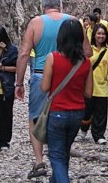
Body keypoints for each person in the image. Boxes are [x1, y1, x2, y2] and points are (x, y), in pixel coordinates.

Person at [15, 0, 91, 180]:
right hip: (70, 74)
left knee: (36, 118)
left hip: (41, 74)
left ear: (43, 7)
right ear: (60, 6)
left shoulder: (35, 23)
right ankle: (59, 161)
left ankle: (39, 161)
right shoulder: (73, 22)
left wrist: (19, 82)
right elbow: (88, 52)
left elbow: (24, 54)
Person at [41, 19, 92, 183]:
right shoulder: (86, 62)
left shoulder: (52, 58)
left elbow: (44, 87)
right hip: (77, 113)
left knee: (55, 156)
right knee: (63, 152)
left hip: (57, 112)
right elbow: (89, 93)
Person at [78, 23, 108, 144]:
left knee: (101, 112)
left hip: (102, 86)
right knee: (86, 111)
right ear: (94, 35)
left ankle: (99, 134)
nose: (101, 36)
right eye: (99, 33)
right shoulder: (88, 50)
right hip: (88, 86)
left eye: (103, 34)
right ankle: (83, 129)